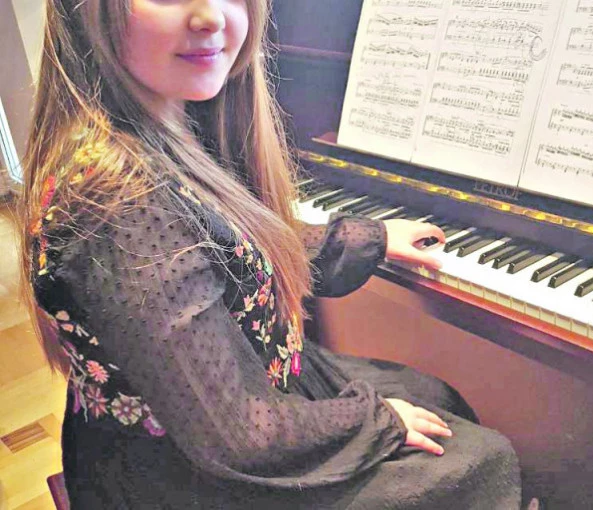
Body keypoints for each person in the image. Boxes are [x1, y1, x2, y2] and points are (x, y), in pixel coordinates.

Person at [18, 0, 526, 508]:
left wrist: (364, 239)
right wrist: (379, 421)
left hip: (233, 402)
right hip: (194, 472)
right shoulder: (123, 203)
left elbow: (231, 248)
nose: (211, 16)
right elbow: (241, 436)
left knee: (435, 399)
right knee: (484, 460)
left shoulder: (166, 115)